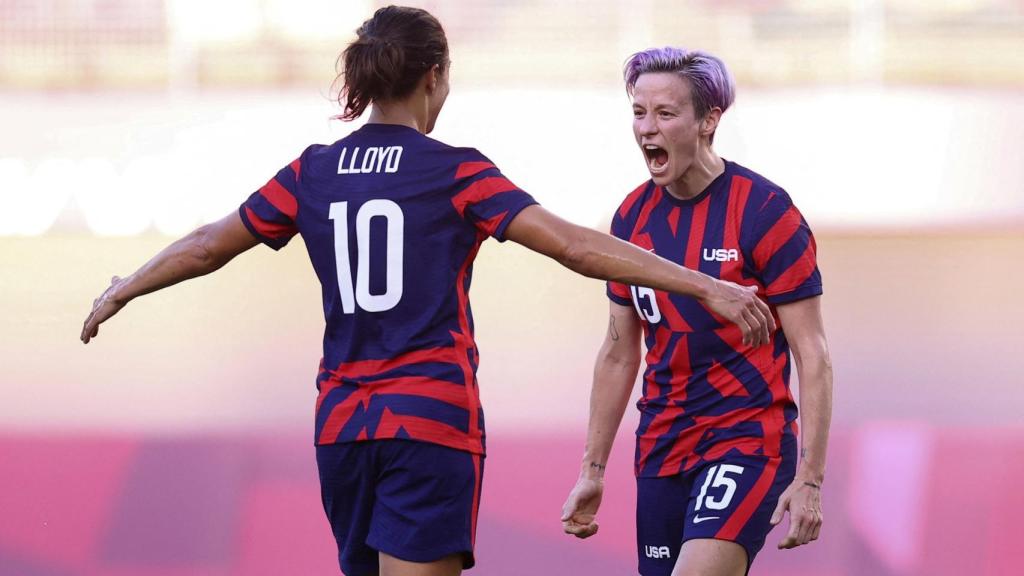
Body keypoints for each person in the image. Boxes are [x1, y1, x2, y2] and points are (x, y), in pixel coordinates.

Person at [80, 10, 774, 576]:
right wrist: (705, 284)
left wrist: (126, 286)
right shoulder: (455, 172)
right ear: (434, 77)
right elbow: (574, 246)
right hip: (427, 425)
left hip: (342, 431)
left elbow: (208, 245)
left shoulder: (312, 171)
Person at [560, 47, 834, 576]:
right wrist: (593, 469)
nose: (647, 128)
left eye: (665, 113)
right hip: (661, 446)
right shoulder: (631, 218)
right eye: (639, 112)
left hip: (746, 438)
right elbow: (619, 353)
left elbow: (812, 352)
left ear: (709, 121)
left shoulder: (765, 211)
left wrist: (811, 478)